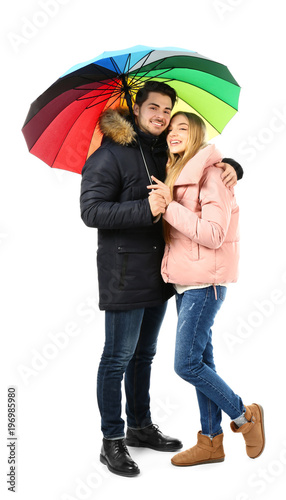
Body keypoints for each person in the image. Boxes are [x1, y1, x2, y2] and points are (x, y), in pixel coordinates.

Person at [80, 81, 244, 477]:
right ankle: (112, 440)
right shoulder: (109, 155)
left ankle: (139, 425)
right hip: (123, 272)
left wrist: (234, 166)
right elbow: (91, 212)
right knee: (116, 357)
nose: (161, 116)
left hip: (160, 273)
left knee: (144, 356)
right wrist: (143, 207)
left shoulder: (160, 150)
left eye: (167, 111)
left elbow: (195, 170)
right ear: (135, 109)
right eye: (153, 108)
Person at [147, 111, 265, 467]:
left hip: (204, 286)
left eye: (182, 128)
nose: (173, 133)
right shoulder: (177, 175)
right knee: (202, 362)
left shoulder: (211, 175)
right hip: (187, 284)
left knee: (185, 365)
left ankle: (245, 417)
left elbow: (213, 234)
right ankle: (211, 441)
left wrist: (168, 208)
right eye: (170, 129)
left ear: (197, 135)